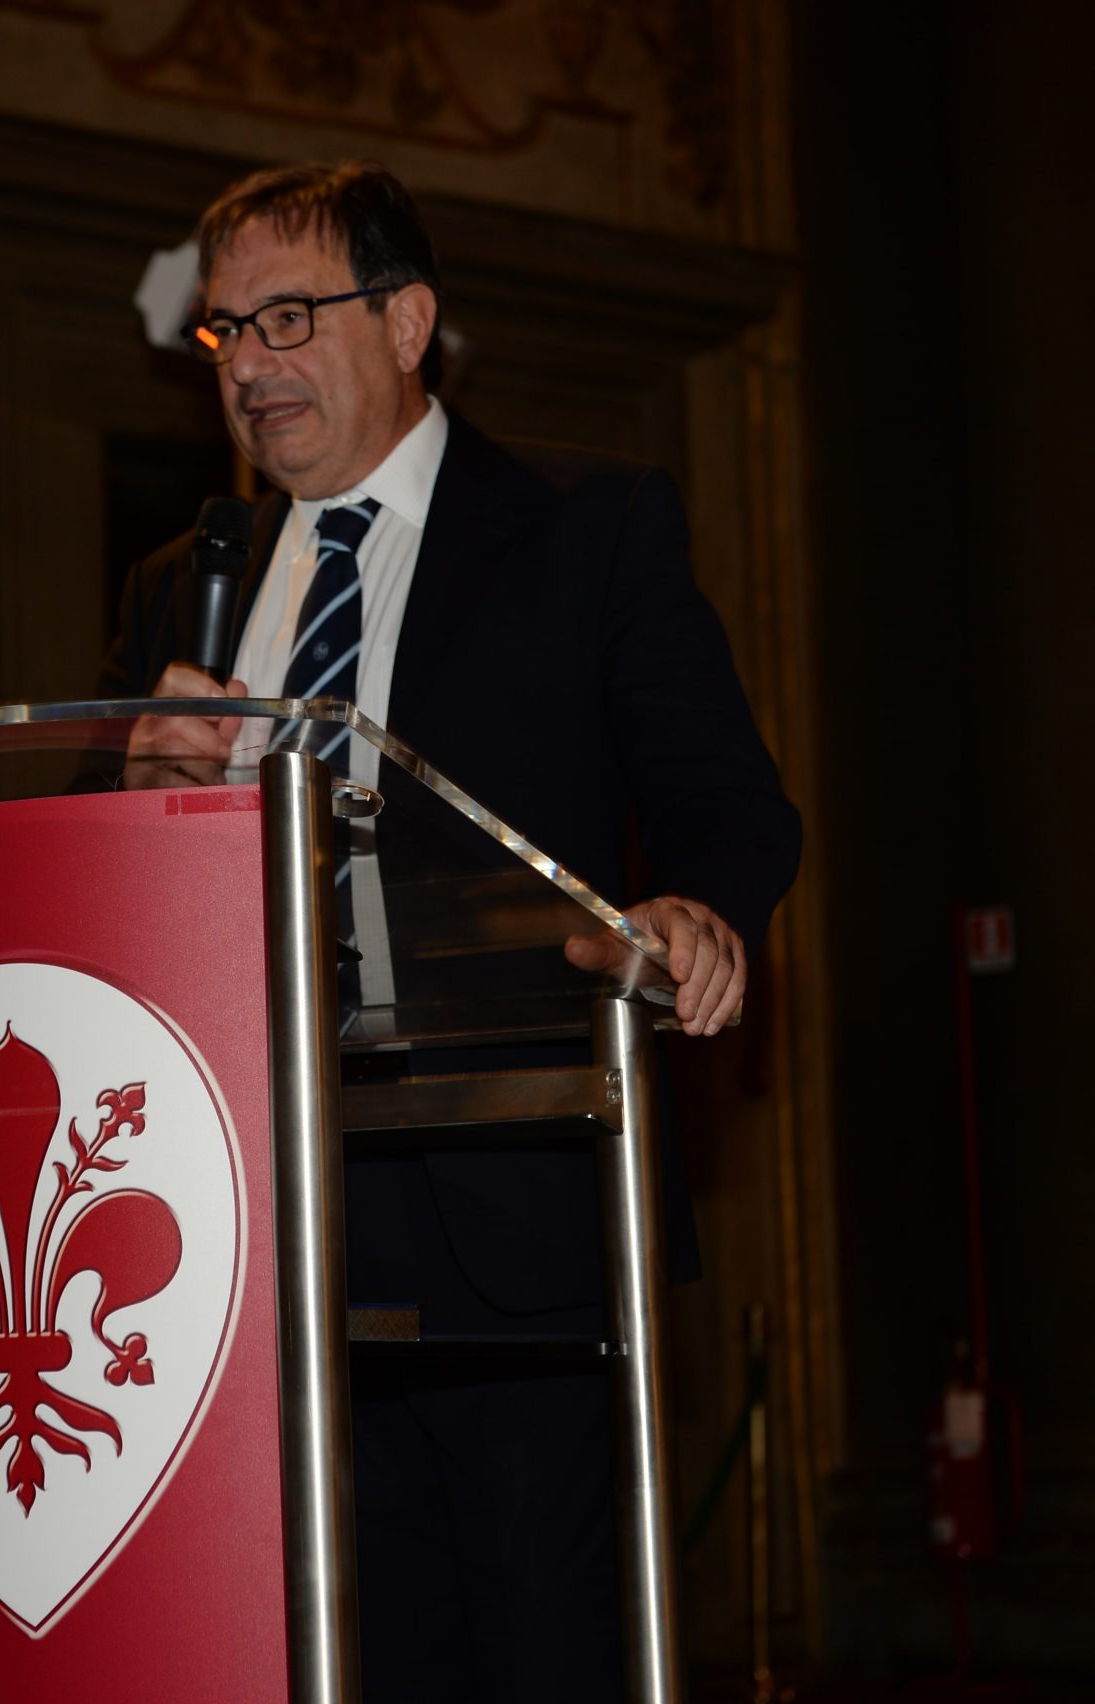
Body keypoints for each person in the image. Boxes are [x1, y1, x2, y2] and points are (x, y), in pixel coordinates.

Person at [97, 161, 801, 1701]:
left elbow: (725, 802)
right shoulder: (179, 588)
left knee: (545, 1657)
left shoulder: (583, 526)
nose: (251, 366)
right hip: (254, 1224)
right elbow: (113, 917)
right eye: (224, 333)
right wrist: (134, 806)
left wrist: (692, 912)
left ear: (408, 322)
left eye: (290, 318)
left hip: (514, 1204)